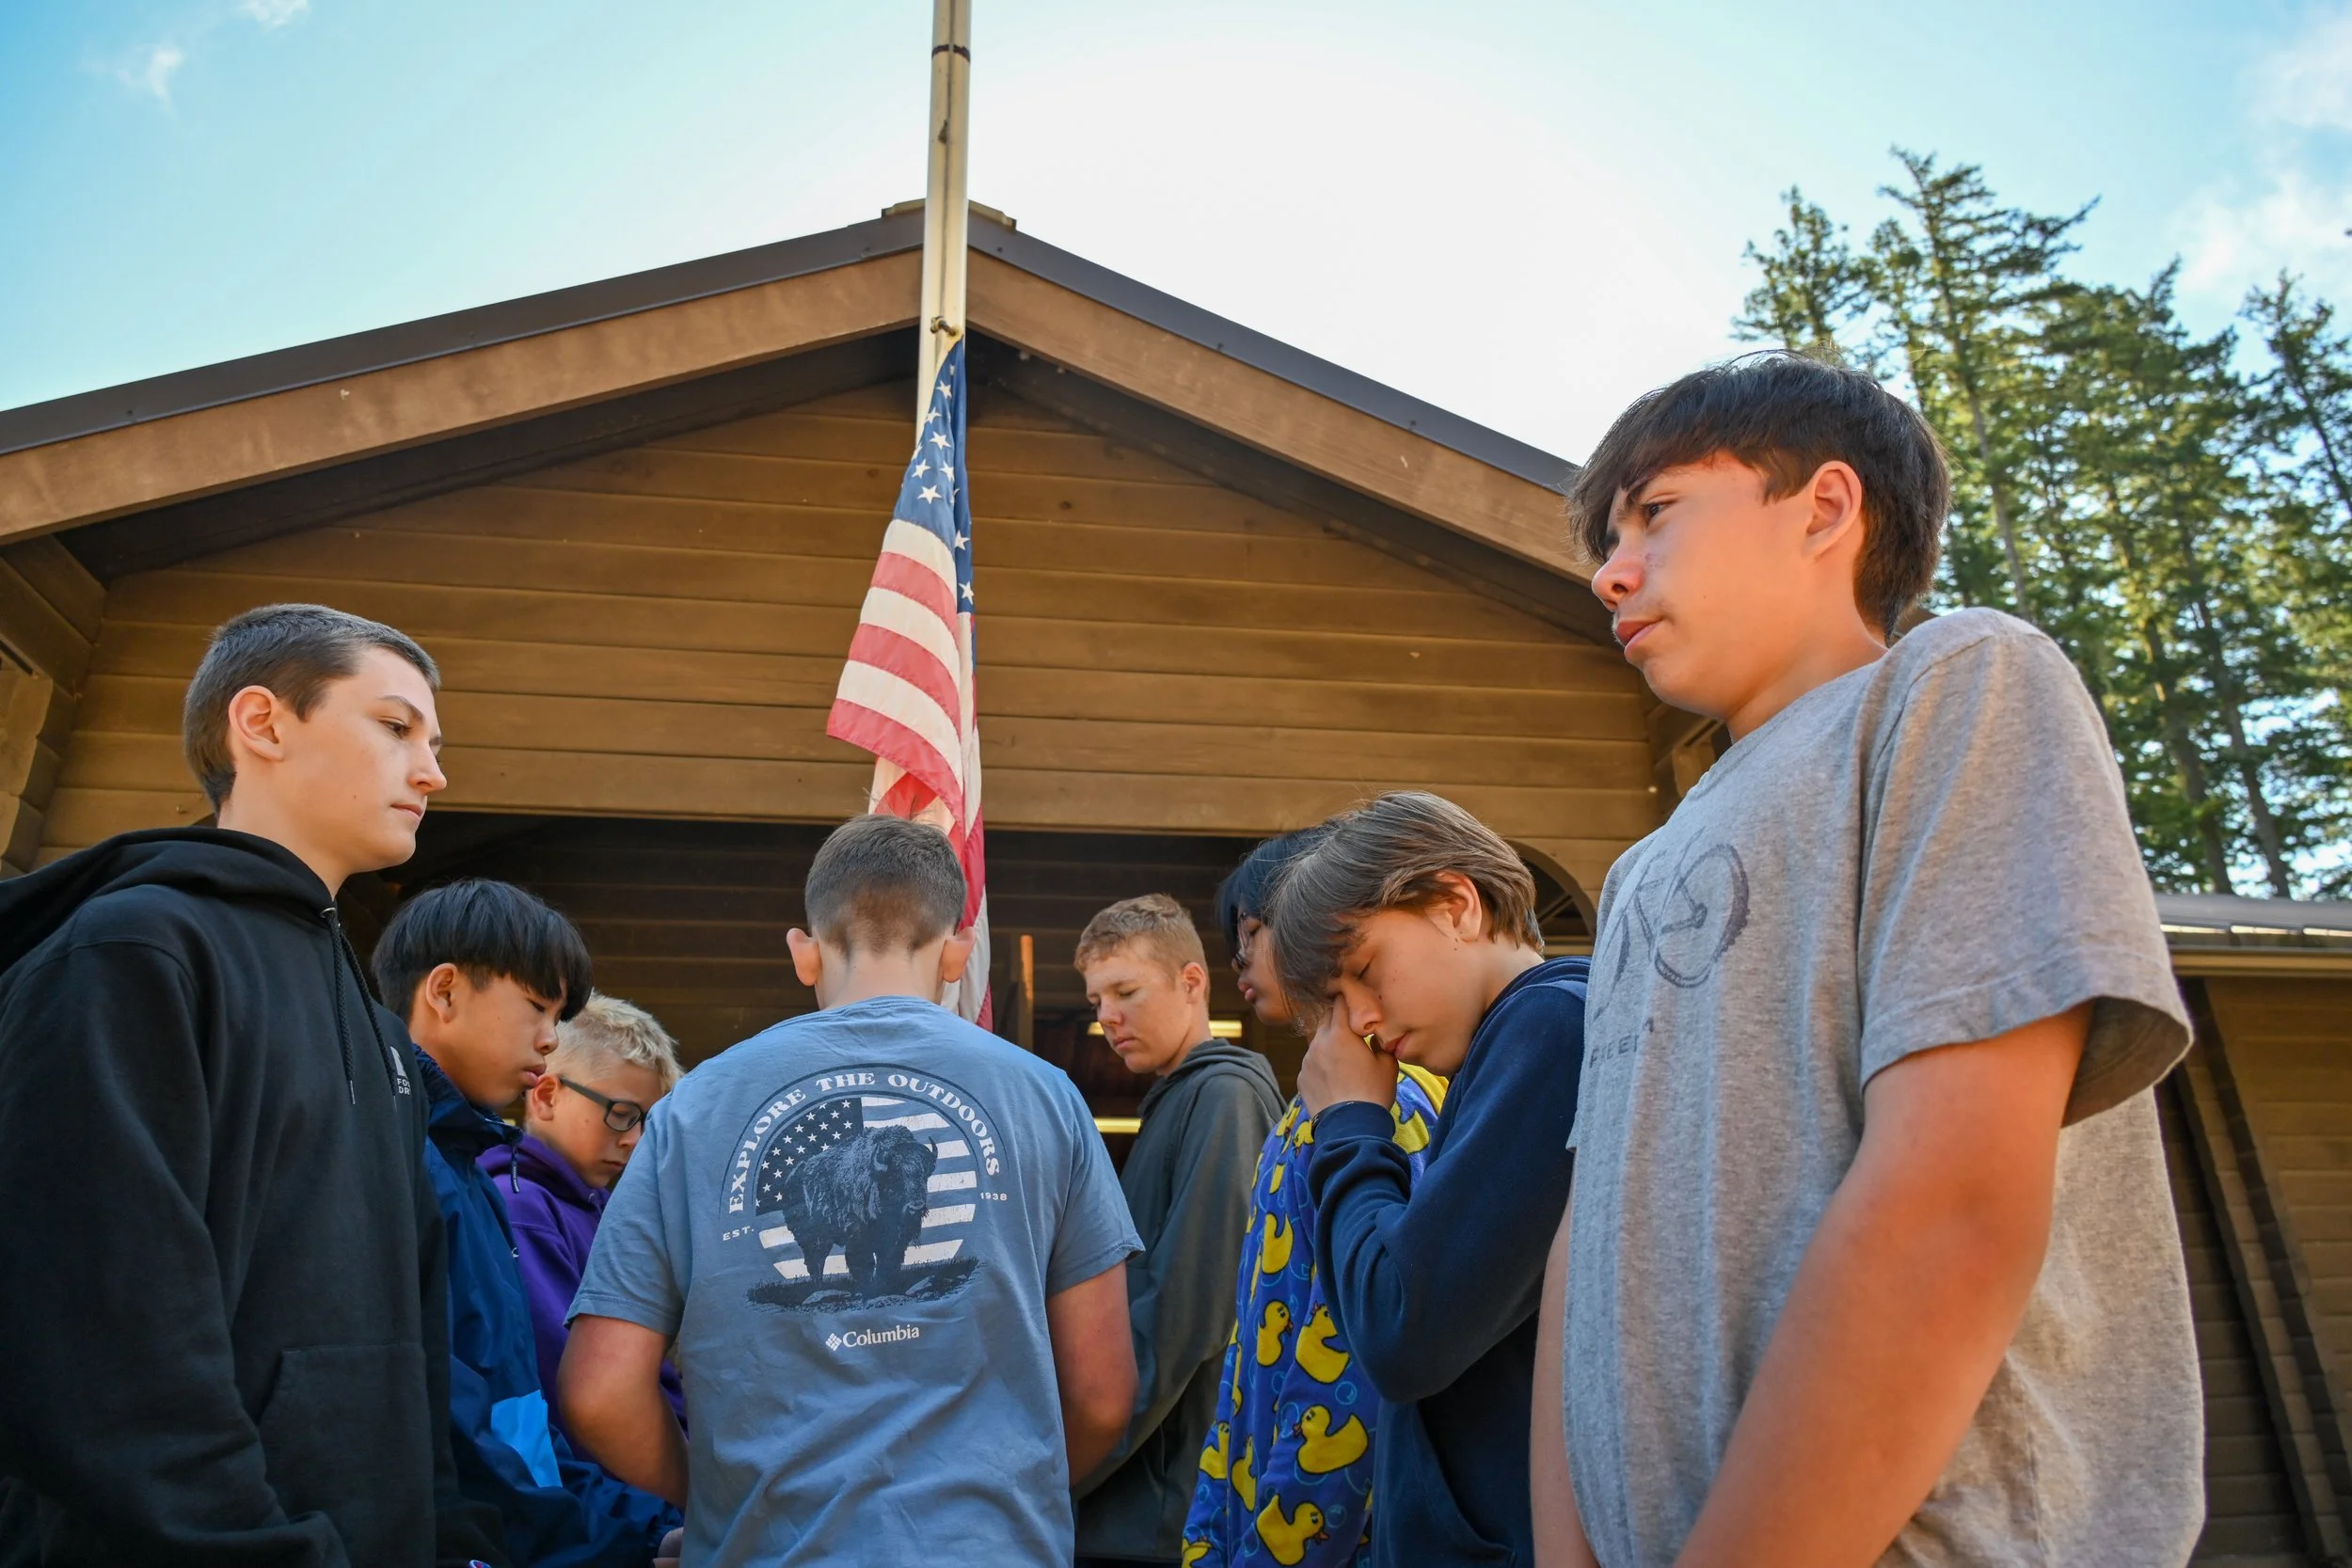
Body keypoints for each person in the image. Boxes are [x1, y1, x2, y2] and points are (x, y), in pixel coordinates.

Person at [1534, 353, 2200, 1568]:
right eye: (1606, 539)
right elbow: (1593, 1234)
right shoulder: (1640, 872)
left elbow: (1951, 1204)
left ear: (1828, 509)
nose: (1608, 570)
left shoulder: (1955, 686)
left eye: (1657, 513)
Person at [0, 602, 508, 1565]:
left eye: (434, 742)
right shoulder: (131, 951)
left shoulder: (377, 1028)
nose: (434, 771)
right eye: (396, 726)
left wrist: (442, 1533)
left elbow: (415, 1333)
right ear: (262, 722)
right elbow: (94, 1337)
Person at [559, 813, 1142, 1566]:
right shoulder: (1047, 1099)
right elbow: (1101, 1395)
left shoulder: (692, 1111)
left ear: (804, 952)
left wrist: (717, 1498)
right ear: (959, 950)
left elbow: (598, 1392)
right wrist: (1002, 1500)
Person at [1267, 791, 1586, 1567]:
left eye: (1366, 971)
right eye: (1338, 1005)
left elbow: (1402, 1331)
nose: (1364, 1021)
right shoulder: (1517, 1038)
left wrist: (1349, 1122)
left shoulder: (1551, 1029)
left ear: (1456, 904)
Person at [374, 880, 678, 1568]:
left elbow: (526, 1424)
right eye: (538, 1006)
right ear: (444, 992)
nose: (550, 1037)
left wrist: (648, 1531)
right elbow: (457, 1437)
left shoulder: (470, 1177)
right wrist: (618, 1541)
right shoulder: (392, 1166)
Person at [1180, 831, 1447, 1568]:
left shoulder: (1395, 1105)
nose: (1240, 964)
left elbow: (1357, 1362)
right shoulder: (1305, 1115)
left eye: (1252, 936)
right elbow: (1249, 1359)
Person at [1073, 895, 1283, 1568]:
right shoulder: (1178, 1096)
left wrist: (1076, 1457)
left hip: (1169, 1512)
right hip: (1141, 1503)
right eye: (1096, 999)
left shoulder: (1225, 1097)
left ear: (1192, 982)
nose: (1106, 1016)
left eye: (1125, 990)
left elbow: (1190, 1307)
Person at [480, 992, 688, 1446]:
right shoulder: (522, 1210)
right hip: (615, 1497)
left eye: (647, 1122)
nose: (634, 1140)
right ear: (548, 1096)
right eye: (621, 1114)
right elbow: (566, 1385)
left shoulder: (598, 1207)